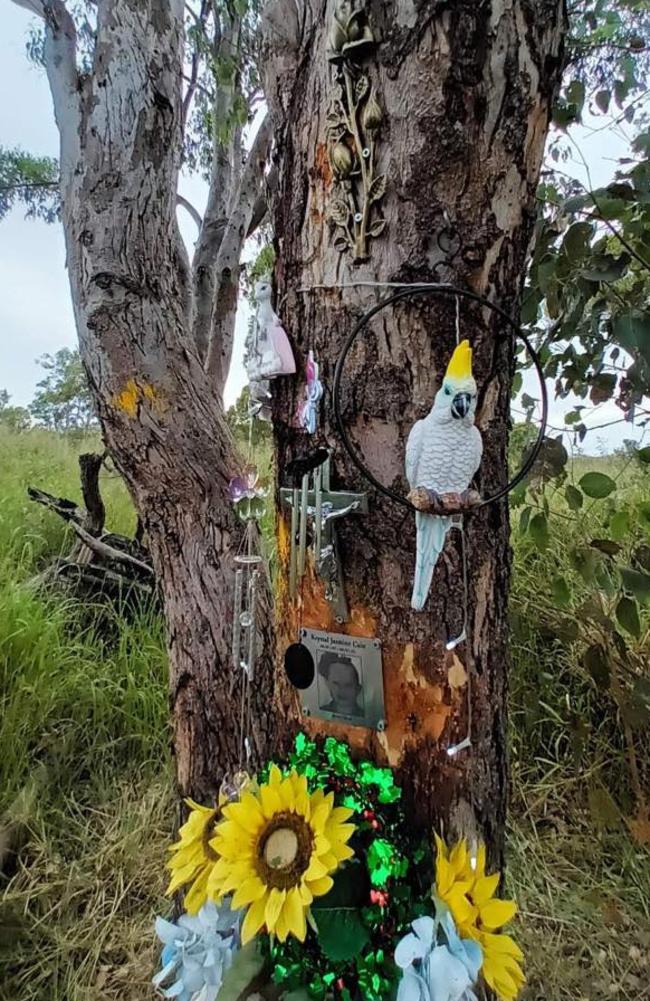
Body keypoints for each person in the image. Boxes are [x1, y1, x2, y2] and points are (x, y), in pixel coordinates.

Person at [318, 652, 364, 718]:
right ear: (328, 683)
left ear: (358, 689)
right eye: (336, 684)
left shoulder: (367, 716)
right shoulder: (321, 712)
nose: (342, 690)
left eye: (348, 685)